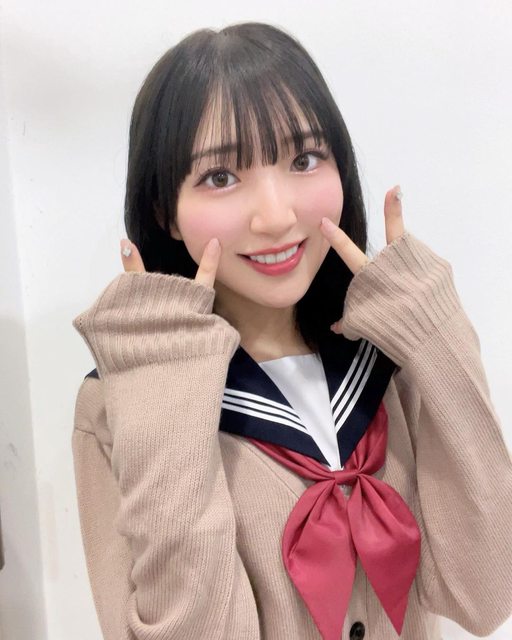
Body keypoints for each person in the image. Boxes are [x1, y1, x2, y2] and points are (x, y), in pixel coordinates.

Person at [71, 21, 512, 640]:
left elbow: (487, 593)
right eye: (220, 177)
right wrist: (166, 396)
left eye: (304, 160)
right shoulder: (120, 403)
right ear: (163, 211)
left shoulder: (391, 355)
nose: (276, 217)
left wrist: (437, 333)